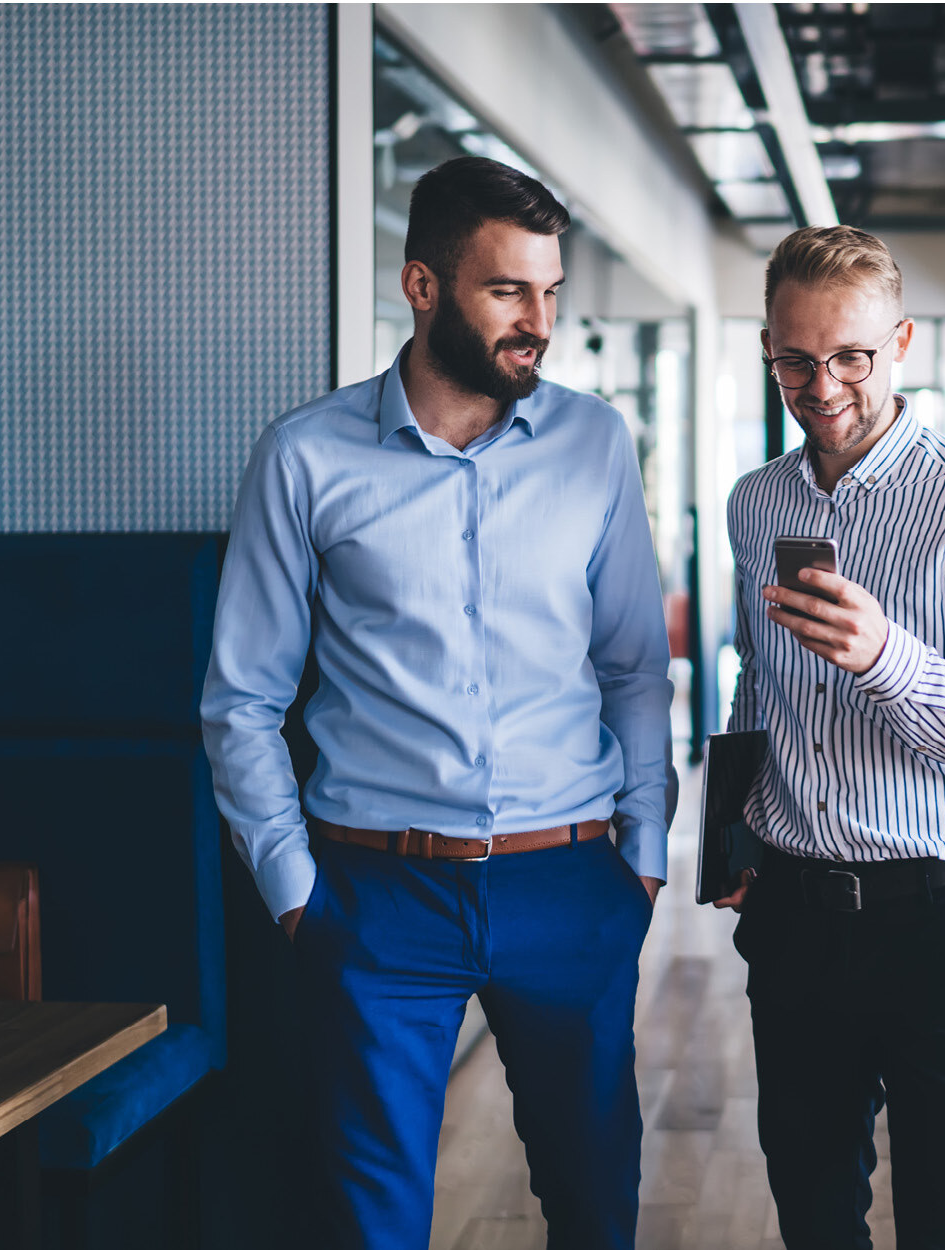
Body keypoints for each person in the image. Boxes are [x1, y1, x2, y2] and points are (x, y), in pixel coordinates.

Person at [200, 155, 672, 1250]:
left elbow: (633, 667)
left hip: (570, 881)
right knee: (368, 1222)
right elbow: (241, 697)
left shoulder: (594, 443)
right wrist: (295, 888)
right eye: (507, 289)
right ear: (421, 286)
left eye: (550, 293)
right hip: (373, 898)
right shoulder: (305, 457)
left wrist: (641, 855)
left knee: (596, 1203)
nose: (536, 322)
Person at [716, 225, 945, 1249]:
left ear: (899, 342)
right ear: (769, 351)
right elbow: (754, 679)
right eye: (794, 358)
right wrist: (728, 837)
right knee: (814, 1214)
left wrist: (884, 655)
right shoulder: (754, 501)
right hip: (794, 915)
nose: (821, 385)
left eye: (849, 356)